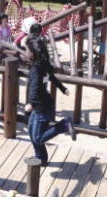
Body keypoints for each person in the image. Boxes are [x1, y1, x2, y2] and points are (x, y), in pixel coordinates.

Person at [24, 23, 76, 165]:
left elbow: (34, 89)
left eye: (27, 49)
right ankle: (41, 158)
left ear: (33, 53)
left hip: (41, 107)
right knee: (31, 130)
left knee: (38, 138)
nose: (25, 52)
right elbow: (51, 77)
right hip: (44, 103)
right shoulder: (43, 64)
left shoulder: (36, 69)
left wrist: (30, 104)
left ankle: (64, 124)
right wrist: (62, 88)